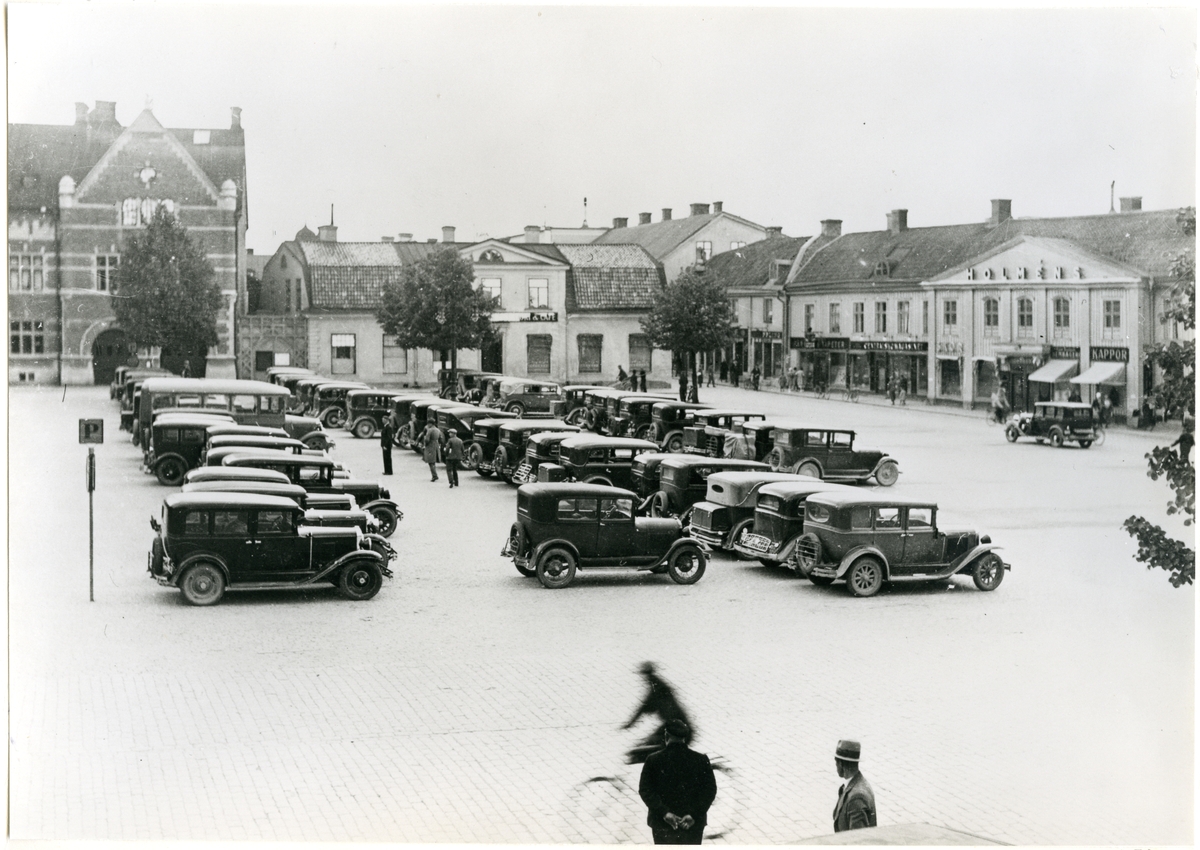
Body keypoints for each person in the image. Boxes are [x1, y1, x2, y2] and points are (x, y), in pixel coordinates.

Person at [638, 719, 717, 845]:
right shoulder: (701, 760)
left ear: (666, 736)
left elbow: (645, 790)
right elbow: (710, 790)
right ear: (684, 738)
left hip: (662, 824)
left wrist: (664, 812)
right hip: (692, 824)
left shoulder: (653, 760)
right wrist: (694, 815)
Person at [622, 661, 692, 765]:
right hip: (676, 727)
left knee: (651, 750)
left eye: (645, 676)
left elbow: (643, 708)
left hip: (679, 729)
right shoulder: (659, 687)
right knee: (650, 746)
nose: (645, 679)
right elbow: (645, 708)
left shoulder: (657, 690)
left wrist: (630, 723)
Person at [832, 739, 877, 833]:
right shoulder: (858, 784)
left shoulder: (856, 798)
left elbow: (858, 838)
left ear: (841, 764)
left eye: (836, 762)